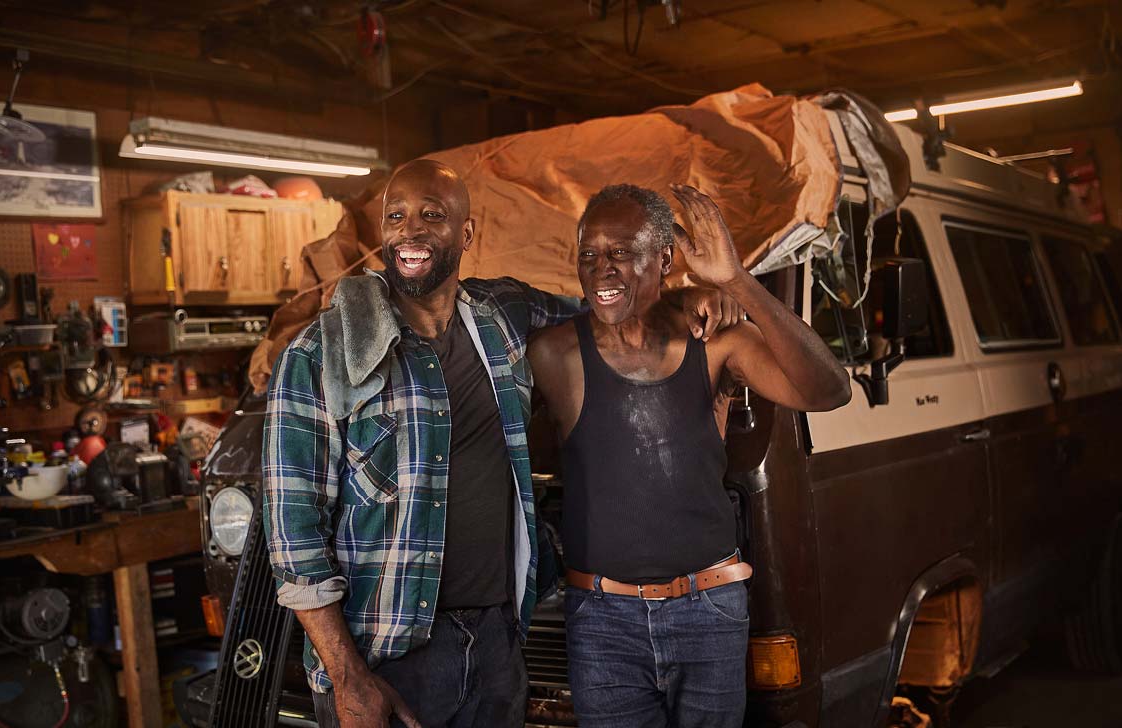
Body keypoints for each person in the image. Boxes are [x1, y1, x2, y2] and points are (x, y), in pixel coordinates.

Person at [262, 161, 741, 728]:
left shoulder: (504, 316)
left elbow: (609, 310)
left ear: (466, 234)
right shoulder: (320, 354)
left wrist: (686, 297)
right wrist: (347, 677)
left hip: (496, 644)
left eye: (431, 215)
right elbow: (293, 533)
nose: (410, 231)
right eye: (396, 217)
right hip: (391, 654)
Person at [528, 183, 852, 728]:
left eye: (621, 253)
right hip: (602, 620)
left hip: (709, 611)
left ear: (665, 259)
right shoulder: (552, 354)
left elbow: (828, 390)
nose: (601, 269)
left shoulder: (717, 341)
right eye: (589, 254)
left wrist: (734, 282)